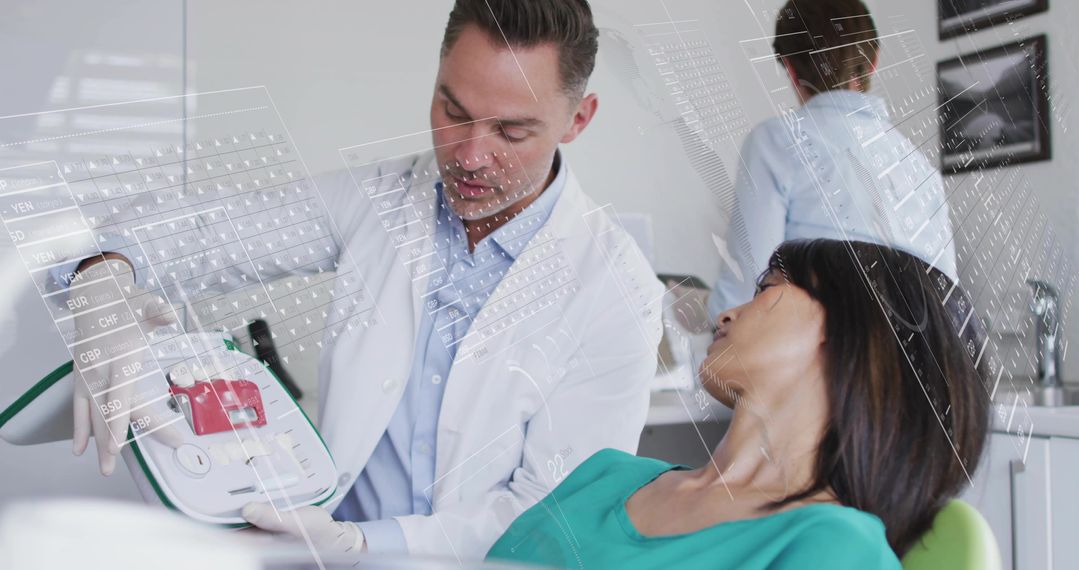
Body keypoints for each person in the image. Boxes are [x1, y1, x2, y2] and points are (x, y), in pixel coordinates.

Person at [53, 0, 663, 559]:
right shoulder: (379, 197)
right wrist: (99, 279)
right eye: (453, 111)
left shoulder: (618, 291)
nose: (471, 156)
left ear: (578, 119)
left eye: (511, 131)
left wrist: (359, 544)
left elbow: (558, 513)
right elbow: (196, 236)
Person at [488, 239, 991, 569]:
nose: (726, 314)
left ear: (853, 332)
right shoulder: (607, 474)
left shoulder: (835, 547)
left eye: (767, 288)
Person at [708, 0, 957, 320]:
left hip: (824, 360)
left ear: (791, 69)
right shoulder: (920, 167)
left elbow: (744, 291)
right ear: (874, 62)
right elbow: (950, 302)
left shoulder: (776, 142)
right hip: (909, 366)